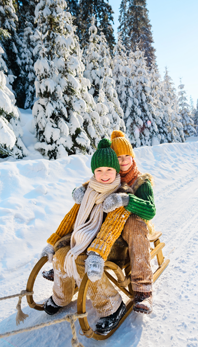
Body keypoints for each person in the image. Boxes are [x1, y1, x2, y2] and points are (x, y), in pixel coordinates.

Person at [40, 138, 128, 335]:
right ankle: (62, 296)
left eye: (109, 170)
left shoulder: (120, 194)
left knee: (81, 260)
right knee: (62, 255)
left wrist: (97, 253)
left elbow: (112, 228)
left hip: (112, 245)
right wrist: (54, 243)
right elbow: (70, 219)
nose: (104, 175)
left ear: (116, 171)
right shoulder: (88, 192)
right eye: (99, 171)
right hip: (86, 241)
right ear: (93, 172)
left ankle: (112, 306)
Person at [83, 130, 156, 314]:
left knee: (134, 223)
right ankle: (68, 261)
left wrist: (127, 200)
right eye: (118, 157)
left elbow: (150, 210)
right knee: (87, 213)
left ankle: (143, 290)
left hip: (134, 231)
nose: (123, 161)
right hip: (110, 230)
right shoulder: (110, 176)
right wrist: (82, 191)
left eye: (127, 156)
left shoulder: (140, 182)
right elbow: (94, 183)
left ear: (132, 157)